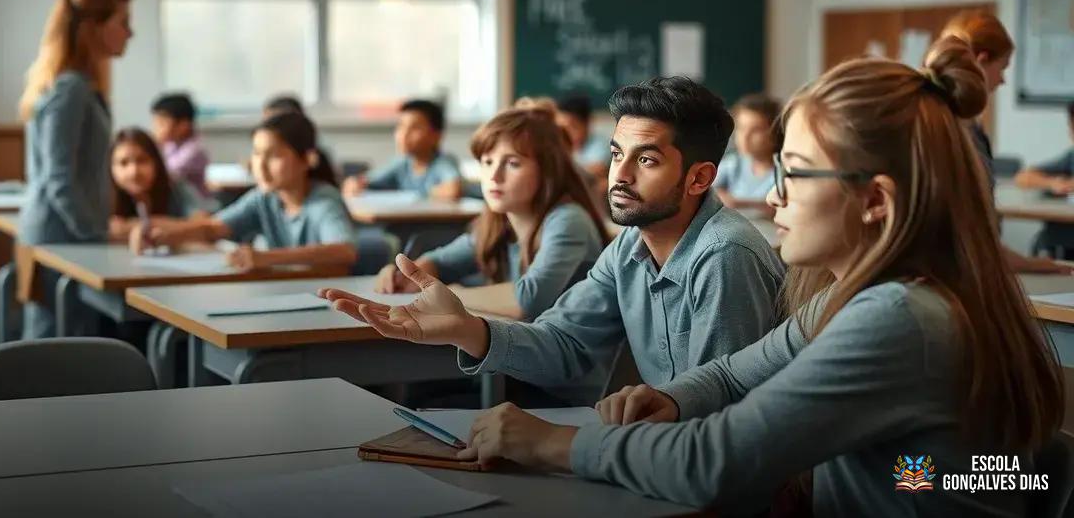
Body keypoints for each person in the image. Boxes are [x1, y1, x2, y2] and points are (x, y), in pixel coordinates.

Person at [432, 38, 1065, 517]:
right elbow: (738, 372)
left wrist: (552, 444)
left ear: (874, 199)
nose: (773, 197)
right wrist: (675, 398)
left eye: (794, 172)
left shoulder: (897, 316)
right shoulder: (859, 296)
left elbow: (719, 461)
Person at [322, 76, 785, 404]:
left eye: (646, 161)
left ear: (700, 177)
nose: (618, 176)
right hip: (660, 454)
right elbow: (565, 344)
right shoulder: (629, 247)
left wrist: (565, 450)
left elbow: (717, 418)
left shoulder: (725, 257)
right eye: (616, 154)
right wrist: (467, 328)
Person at [375, 104, 610, 321]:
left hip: (574, 360)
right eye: (487, 162)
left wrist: (450, 294)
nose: (494, 177)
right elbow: (442, 262)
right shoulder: (499, 222)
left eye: (512, 163)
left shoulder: (568, 219)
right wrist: (405, 276)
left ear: (547, 171)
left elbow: (527, 301)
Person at [17, 0, 133, 339]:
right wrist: (95, 231)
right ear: (93, 28)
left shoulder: (80, 85)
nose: (130, 33)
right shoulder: (71, 89)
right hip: (62, 236)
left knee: (67, 338)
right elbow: (59, 179)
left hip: (68, 234)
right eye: (122, 22)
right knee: (54, 347)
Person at [130, 112, 357, 272]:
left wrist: (266, 258)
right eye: (257, 154)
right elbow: (214, 228)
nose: (261, 165)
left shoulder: (323, 200)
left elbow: (344, 251)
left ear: (308, 159)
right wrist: (165, 236)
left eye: (274, 155)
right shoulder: (265, 197)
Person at [938, 10, 1072, 274]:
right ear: (981, 60)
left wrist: (1033, 264)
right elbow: (970, 241)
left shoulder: (967, 129)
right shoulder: (956, 135)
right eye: (1003, 68)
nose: (1003, 79)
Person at [342, 99, 462, 200]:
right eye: (401, 126)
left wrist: (418, 194)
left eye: (415, 128)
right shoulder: (402, 162)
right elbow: (364, 181)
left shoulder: (442, 162)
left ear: (436, 136)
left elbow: (453, 190)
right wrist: (355, 183)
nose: (404, 135)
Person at [107, 127, 207, 242]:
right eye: (123, 163)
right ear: (110, 167)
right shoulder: (102, 195)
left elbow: (204, 224)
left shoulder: (177, 188)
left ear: (156, 163)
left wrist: (140, 226)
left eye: (142, 160)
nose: (134, 172)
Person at [1014, 102, 1074, 257]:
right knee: (1045, 239)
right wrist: (1053, 183)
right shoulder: (1071, 157)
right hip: (1066, 233)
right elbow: (1023, 177)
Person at [713, 93, 781, 208]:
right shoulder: (734, 163)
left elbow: (777, 207)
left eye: (756, 130)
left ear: (775, 133)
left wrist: (737, 203)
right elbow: (707, 187)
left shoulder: (782, 171)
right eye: (741, 128)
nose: (745, 137)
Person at [150, 92, 209, 197]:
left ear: (183, 125)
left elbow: (161, 176)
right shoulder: (171, 144)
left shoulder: (194, 150)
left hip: (195, 206)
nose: (156, 129)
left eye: (162, 123)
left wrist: (152, 145)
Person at [556, 94, 611, 180]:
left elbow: (597, 169)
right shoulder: (558, 144)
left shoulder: (601, 145)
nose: (567, 133)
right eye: (562, 128)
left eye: (573, 127)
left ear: (587, 123)